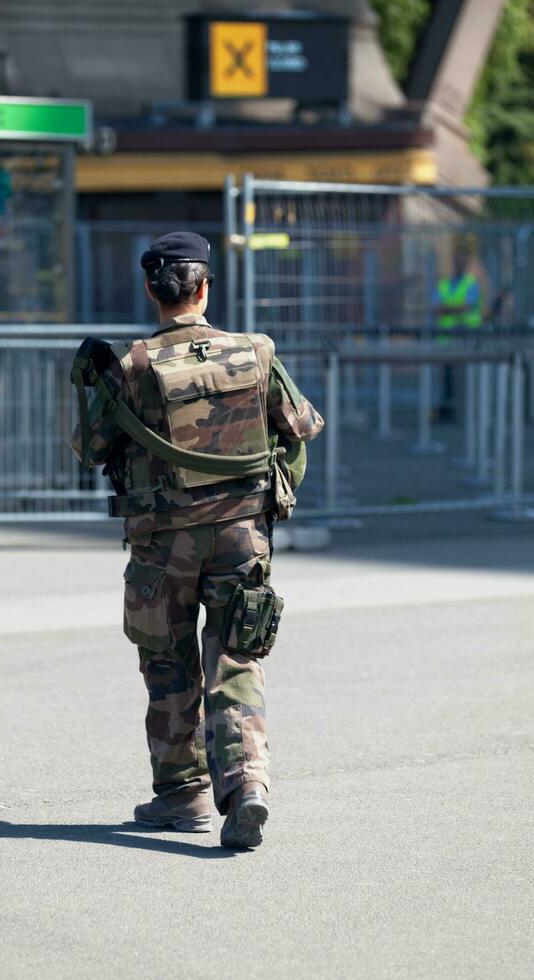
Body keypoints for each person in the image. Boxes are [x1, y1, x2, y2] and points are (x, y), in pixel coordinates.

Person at [71, 231, 323, 849]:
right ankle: (247, 787)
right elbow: (305, 425)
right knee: (235, 656)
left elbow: (90, 450)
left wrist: (92, 385)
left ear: (150, 290)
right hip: (242, 537)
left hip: (162, 545)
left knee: (168, 664)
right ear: (206, 285)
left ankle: (183, 795)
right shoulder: (256, 353)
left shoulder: (132, 367)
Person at [433, 243, 482, 421]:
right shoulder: (444, 284)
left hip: (466, 340)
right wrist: (457, 309)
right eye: (456, 259)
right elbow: (438, 309)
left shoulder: (471, 284)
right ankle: (448, 413)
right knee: (446, 380)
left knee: (466, 379)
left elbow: (467, 307)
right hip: (446, 341)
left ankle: (466, 413)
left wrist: (448, 308)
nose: (459, 262)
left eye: (463, 259)